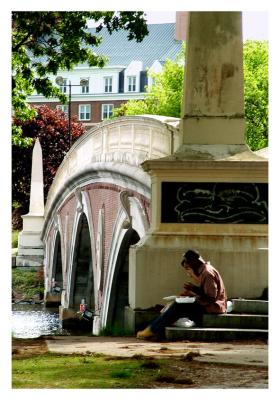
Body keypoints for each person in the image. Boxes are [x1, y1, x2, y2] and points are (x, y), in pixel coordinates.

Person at [136, 249, 227, 339]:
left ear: (194, 262)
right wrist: (192, 295)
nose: (187, 266)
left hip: (213, 307)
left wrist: (194, 289)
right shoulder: (204, 270)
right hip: (209, 304)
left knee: (178, 306)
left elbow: (211, 297)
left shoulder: (207, 273)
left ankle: (152, 330)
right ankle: (154, 329)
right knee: (177, 305)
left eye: (188, 263)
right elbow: (206, 293)